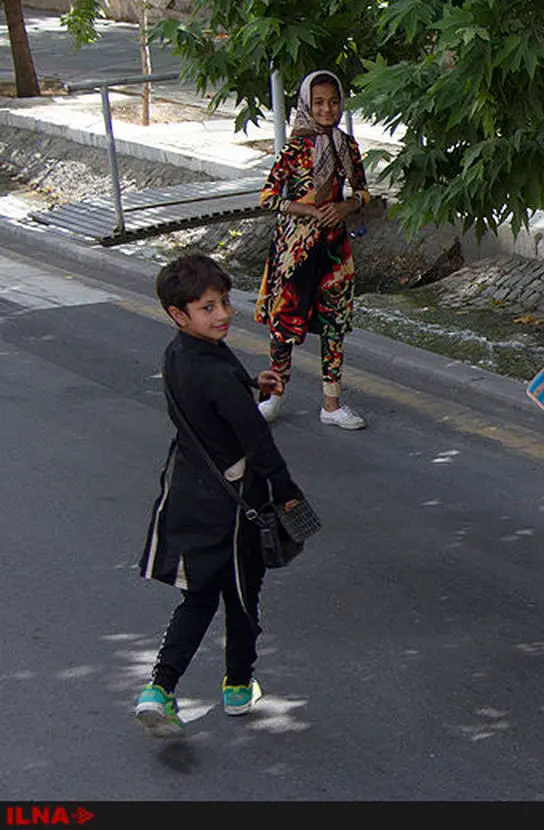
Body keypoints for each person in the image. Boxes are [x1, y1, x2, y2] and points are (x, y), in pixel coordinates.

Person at [135, 254, 305, 738]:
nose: (223, 314)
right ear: (179, 314)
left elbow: (210, 407)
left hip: (188, 492)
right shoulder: (213, 368)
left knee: (197, 597)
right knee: (242, 595)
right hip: (233, 506)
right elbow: (257, 442)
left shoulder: (180, 353)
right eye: (208, 307)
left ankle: (158, 690)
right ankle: (236, 686)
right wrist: (288, 494)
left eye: (225, 302)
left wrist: (251, 385)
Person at [256, 69, 370, 430]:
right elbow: (268, 197)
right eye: (319, 103)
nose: (327, 110)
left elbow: (363, 192)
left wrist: (344, 208)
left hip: (334, 250)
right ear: (307, 104)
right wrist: (308, 210)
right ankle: (274, 396)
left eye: (333, 102)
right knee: (284, 322)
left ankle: (331, 404)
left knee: (335, 324)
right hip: (295, 250)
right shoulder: (294, 149)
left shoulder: (347, 146)